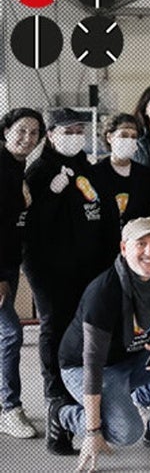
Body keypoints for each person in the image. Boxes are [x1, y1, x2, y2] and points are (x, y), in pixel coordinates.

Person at [51, 217, 150, 462]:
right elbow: (92, 364)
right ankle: (62, 413)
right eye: (141, 244)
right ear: (124, 248)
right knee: (125, 433)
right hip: (87, 368)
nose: (149, 252)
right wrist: (92, 431)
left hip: (131, 357)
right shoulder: (103, 292)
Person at [24, 108, 109, 406]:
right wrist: (50, 195)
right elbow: (29, 223)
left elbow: (104, 212)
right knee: (54, 324)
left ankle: (79, 383)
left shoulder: (90, 169)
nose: (75, 137)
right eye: (67, 132)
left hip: (87, 264)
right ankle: (54, 390)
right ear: (50, 135)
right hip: (49, 266)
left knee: (83, 324)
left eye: (78, 132)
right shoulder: (38, 171)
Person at [0, 108, 44, 439]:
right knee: (11, 333)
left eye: (34, 133)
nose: (27, 137)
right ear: (6, 130)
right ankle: (9, 408)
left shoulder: (17, 166)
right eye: (21, 130)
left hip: (9, 262)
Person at [93, 113, 150, 256]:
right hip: (101, 247)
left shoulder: (145, 175)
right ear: (109, 137)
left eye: (133, 136)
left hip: (137, 248)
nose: (129, 140)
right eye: (124, 135)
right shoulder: (95, 173)